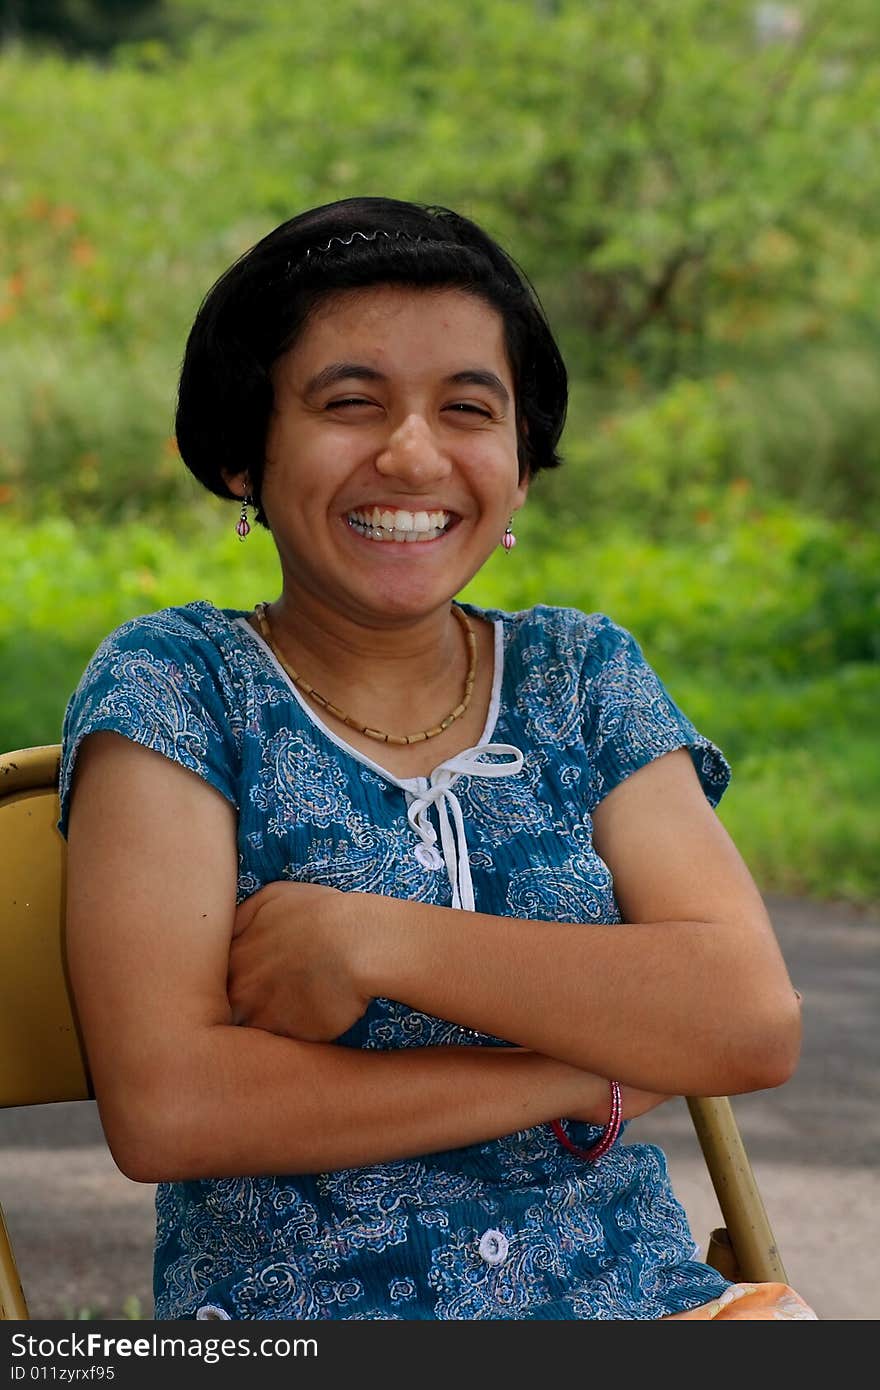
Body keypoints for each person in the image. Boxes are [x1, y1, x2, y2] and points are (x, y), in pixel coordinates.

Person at [58, 196, 816, 1321]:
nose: (412, 453)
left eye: (468, 407)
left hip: (637, 1306)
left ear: (516, 468)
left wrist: (376, 939)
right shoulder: (177, 686)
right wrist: (588, 1071)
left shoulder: (583, 674)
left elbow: (748, 1020)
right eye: (348, 401)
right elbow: (173, 1109)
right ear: (242, 453)